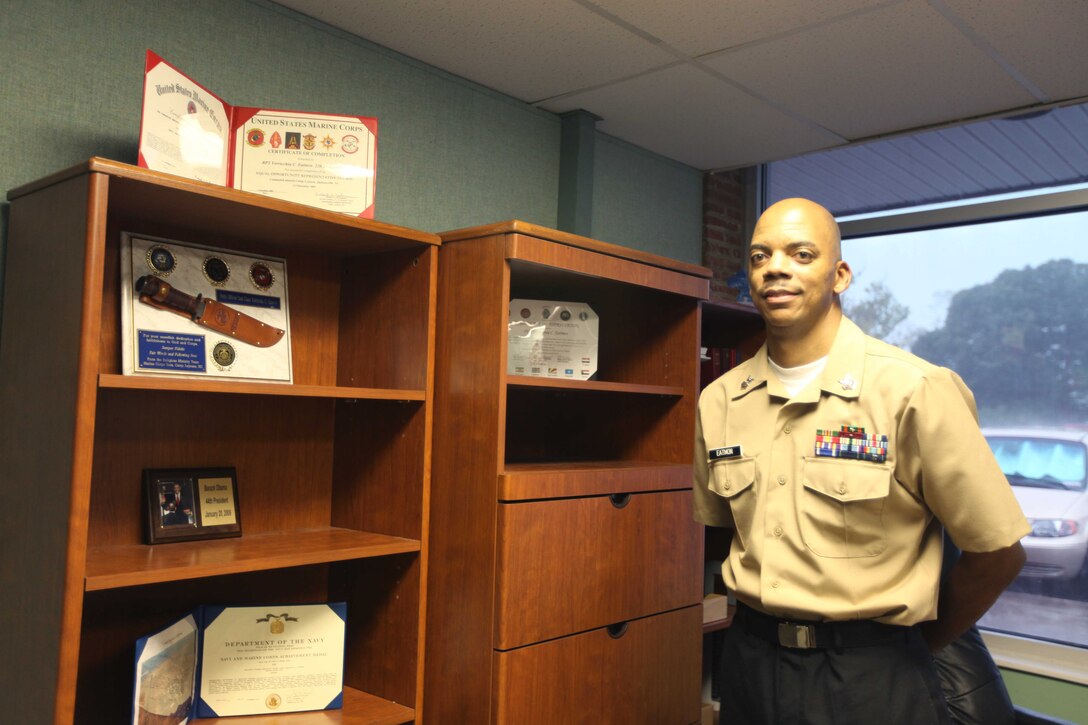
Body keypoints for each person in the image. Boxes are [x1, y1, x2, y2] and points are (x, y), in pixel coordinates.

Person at [693, 197, 1029, 724]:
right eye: (760, 257)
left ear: (840, 275)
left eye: (801, 254)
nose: (775, 267)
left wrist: (916, 647)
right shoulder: (720, 401)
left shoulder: (914, 390)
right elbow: (722, 532)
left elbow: (999, 555)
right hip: (750, 663)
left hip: (871, 674)